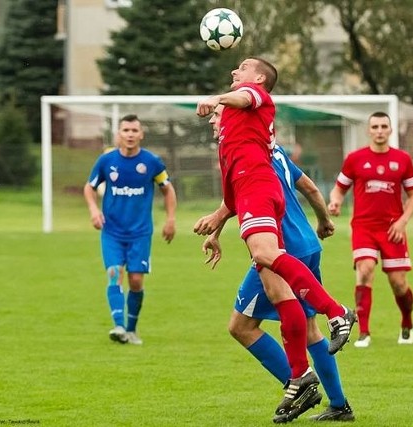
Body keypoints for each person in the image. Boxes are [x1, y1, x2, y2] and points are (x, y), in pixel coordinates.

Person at [193, 57, 356, 420]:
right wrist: (217, 230)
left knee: (248, 309)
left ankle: (335, 315)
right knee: (290, 307)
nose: (234, 72)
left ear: (260, 78)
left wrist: (216, 98)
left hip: (266, 203)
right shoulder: (236, 146)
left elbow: (245, 97)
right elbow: (232, 200)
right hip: (281, 220)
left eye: (241, 68)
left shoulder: (255, 98)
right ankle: (313, 385)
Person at [83, 114, 177, 345]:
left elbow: (167, 189)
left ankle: (131, 330)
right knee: (114, 274)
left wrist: (171, 219)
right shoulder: (106, 161)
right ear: (119, 134)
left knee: (135, 281)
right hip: (112, 231)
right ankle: (119, 326)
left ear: (141, 134)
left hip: (140, 233)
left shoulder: (152, 162)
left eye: (135, 130)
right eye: (126, 130)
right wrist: (94, 210)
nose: (130, 135)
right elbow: (89, 187)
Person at [328, 111, 413, 348]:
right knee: (365, 269)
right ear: (369, 130)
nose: (379, 130)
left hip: (392, 229)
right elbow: (339, 189)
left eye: (384, 126)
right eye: (375, 126)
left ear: (390, 130)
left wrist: (402, 222)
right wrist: (335, 201)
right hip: (364, 227)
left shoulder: (403, 160)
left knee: (398, 283)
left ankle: (407, 323)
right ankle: (364, 332)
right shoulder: (355, 159)